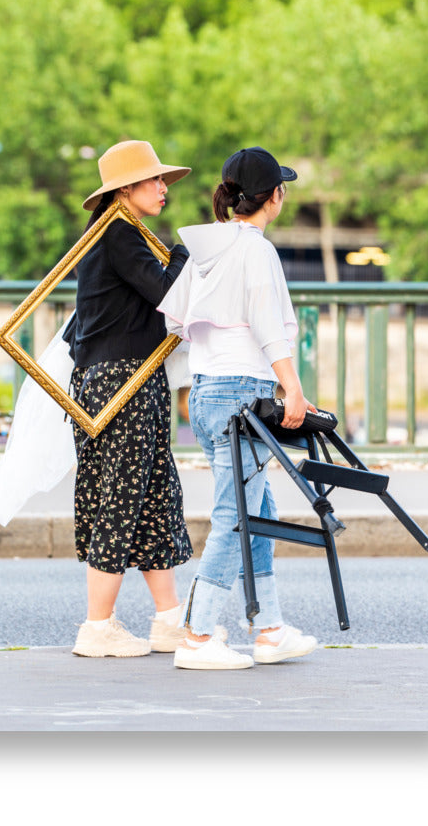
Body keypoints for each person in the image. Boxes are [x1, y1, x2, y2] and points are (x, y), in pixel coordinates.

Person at [158, 146, 320, 670]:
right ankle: (197, 634)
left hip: (205, 392)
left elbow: (175, 323)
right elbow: (269, 326)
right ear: (274, 197)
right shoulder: (256, 250)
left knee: (258, 507)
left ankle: (269, 628)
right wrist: (291, 389)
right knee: (237, 512)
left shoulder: (207, 248)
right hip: (239, 394)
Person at [65, 140, 195, 658]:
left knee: (154, 495)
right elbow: (166, 292)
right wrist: (189, 253)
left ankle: (168, 620)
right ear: (125, 190)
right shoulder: (119, 232)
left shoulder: (113, 233)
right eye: (154, 180)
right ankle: (98, 627)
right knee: (123, 495)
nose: (164, 188)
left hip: (122, 378)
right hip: (123, 380)